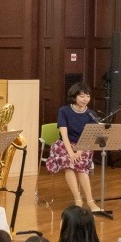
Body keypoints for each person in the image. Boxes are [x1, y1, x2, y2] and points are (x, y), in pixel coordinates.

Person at [45, 81, 100, 210]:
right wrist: (71, 153)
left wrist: (79, 152)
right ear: (74, 97)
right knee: (69, 163)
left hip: (83, 145)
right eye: (81, 96)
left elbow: (89, 137)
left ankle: (90, 201)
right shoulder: (64, 111)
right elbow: (64, 134)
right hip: (65, 144)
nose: (85, 99)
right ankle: (78, 199)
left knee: (80, 166)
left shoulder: (91, 114)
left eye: (87, 96)